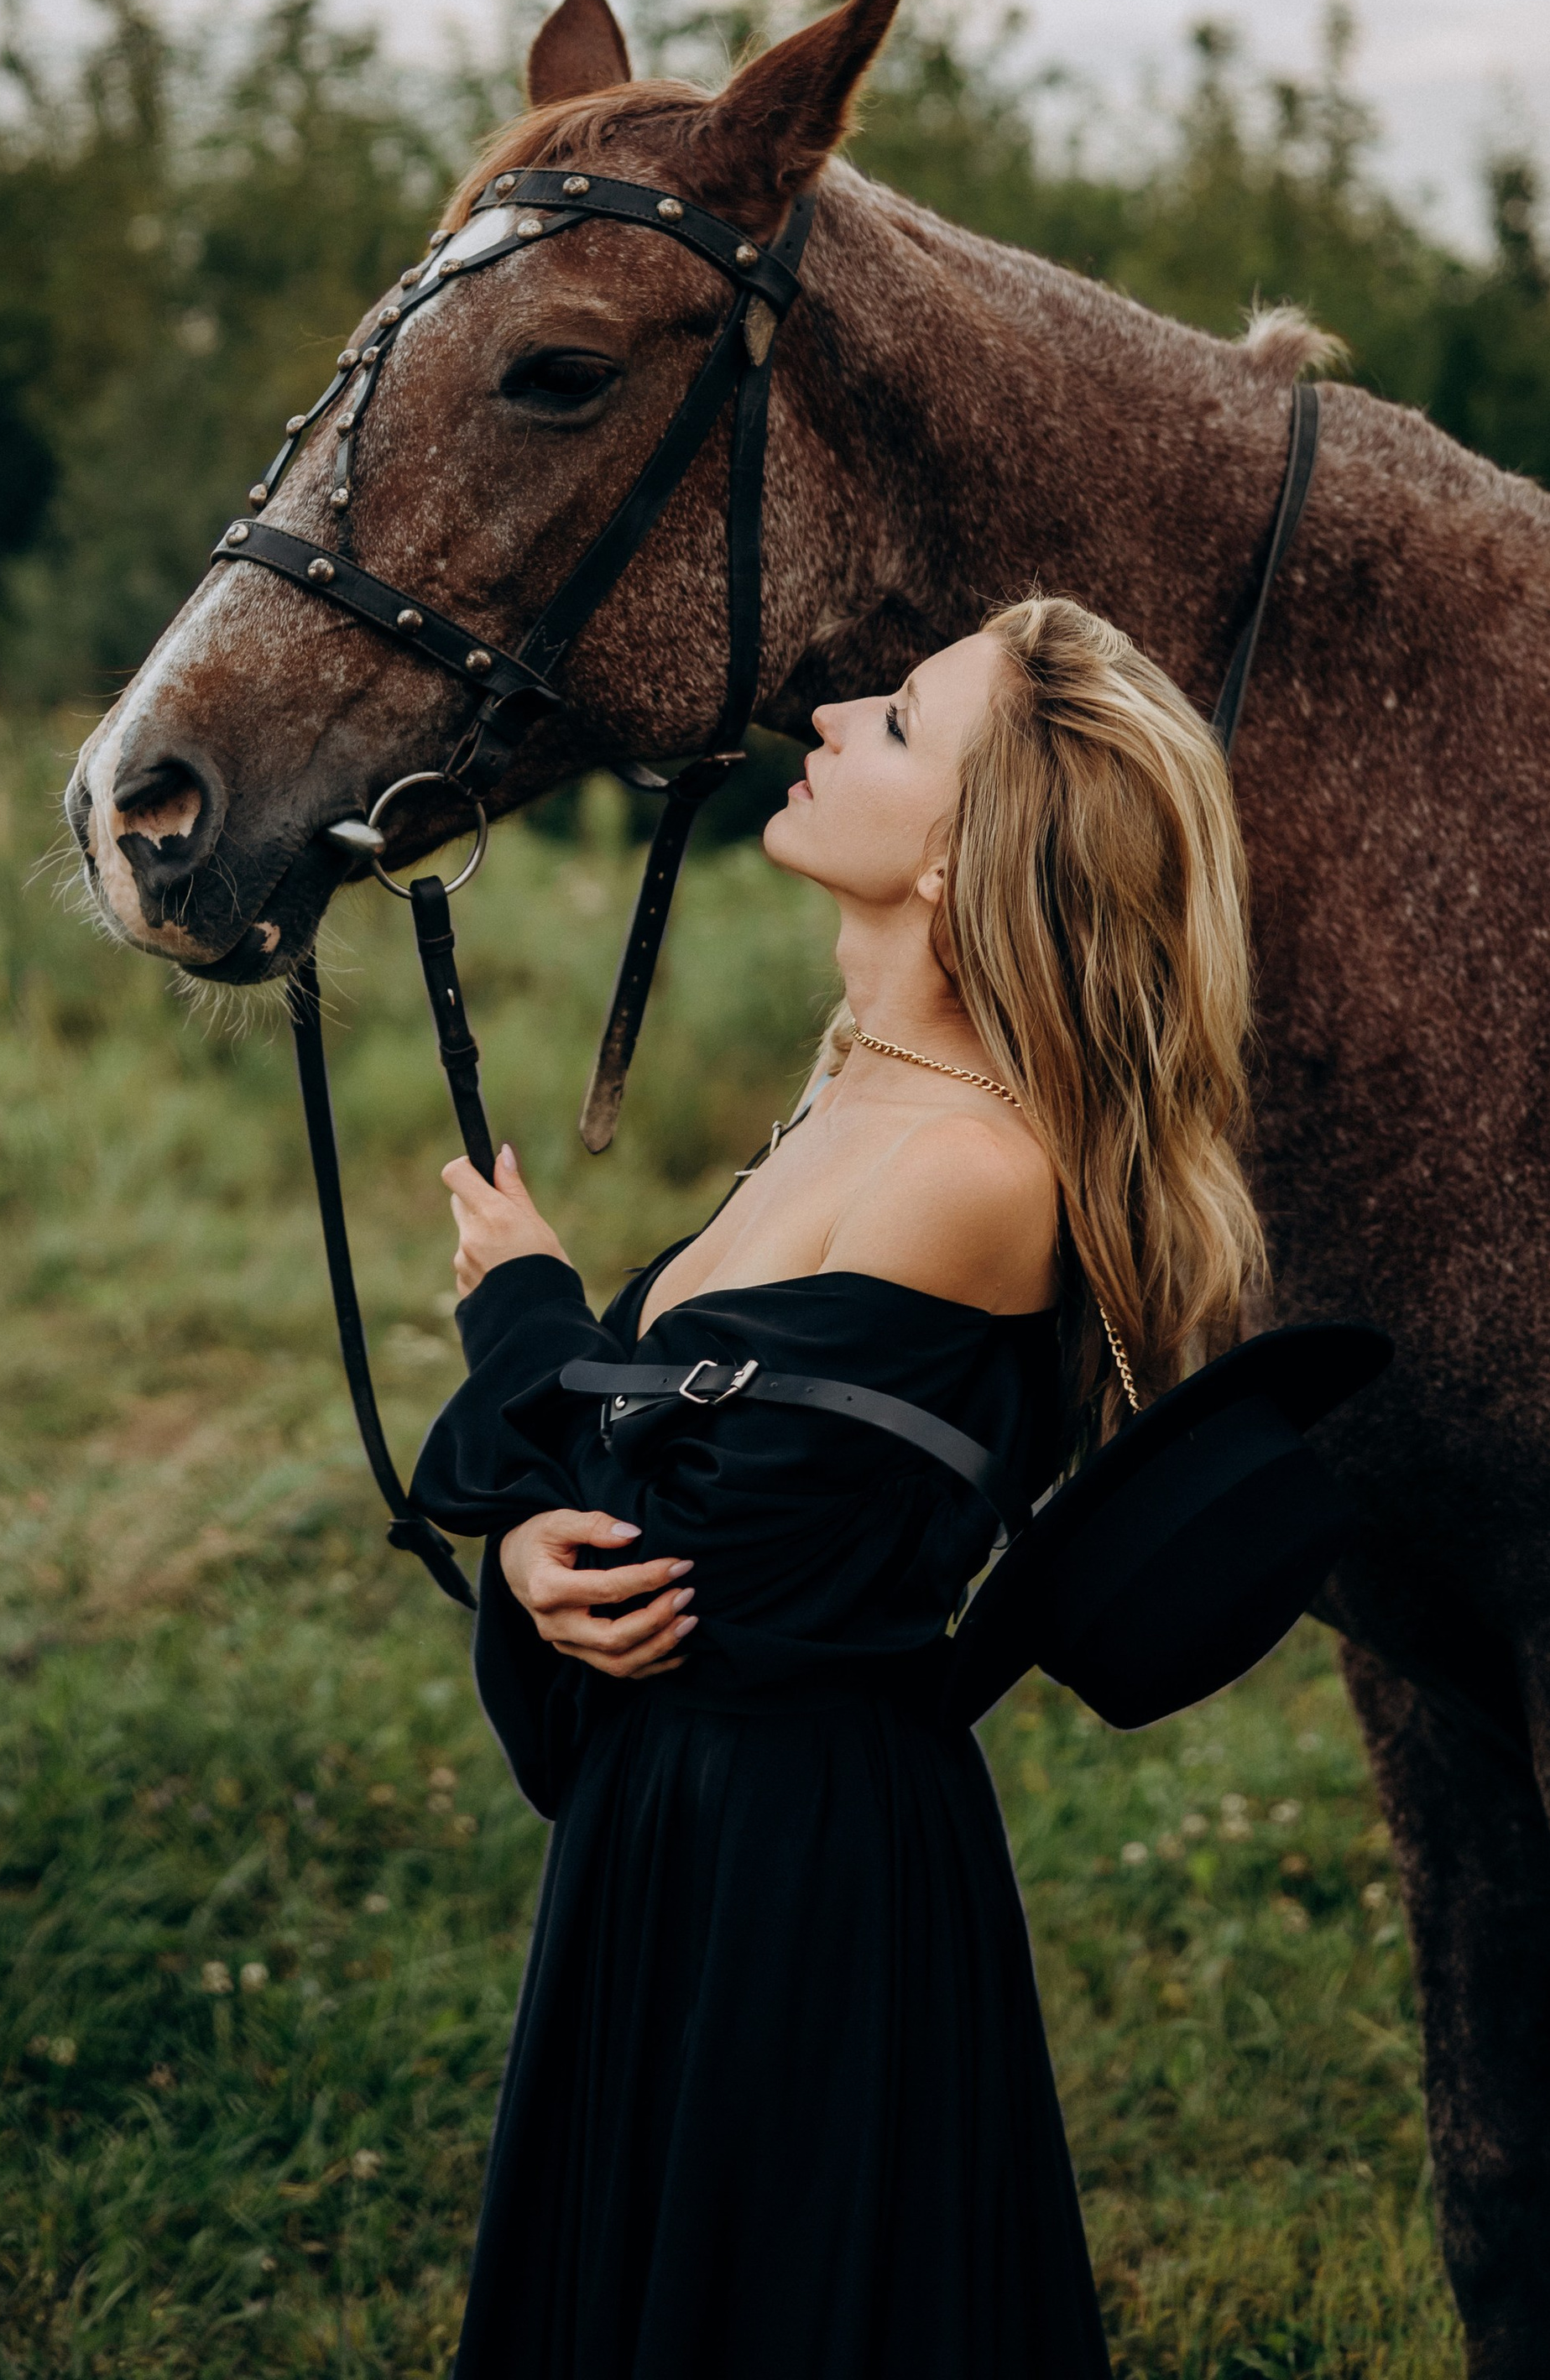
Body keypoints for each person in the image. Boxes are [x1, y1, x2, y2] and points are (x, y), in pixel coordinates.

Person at [410, 596, 1267, 2380]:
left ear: (959, 862)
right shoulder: (850, 1100)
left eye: (892, 721)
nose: (832, 712)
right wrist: (535, 1564)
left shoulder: (969, 1173)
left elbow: (697, 1570)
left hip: (794, 1874)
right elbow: (648, 1508)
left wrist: (523, 1320)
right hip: (687, 1826)